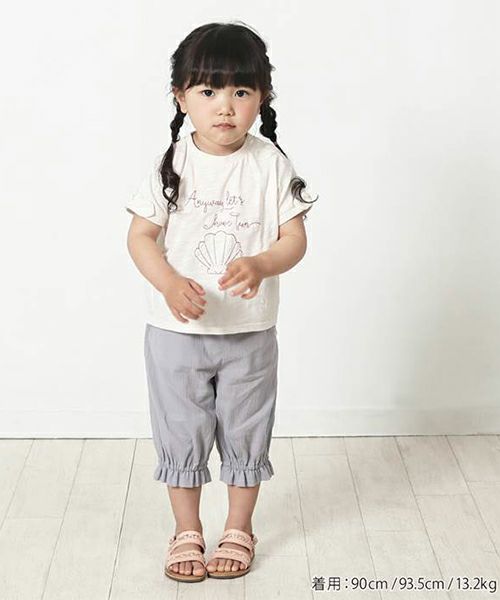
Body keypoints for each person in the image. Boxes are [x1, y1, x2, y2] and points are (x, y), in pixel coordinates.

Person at [125, 20, 318, 583]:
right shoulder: (171, 165)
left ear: (263, 97)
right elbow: (140, 237)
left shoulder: (269, 164)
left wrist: (261, 264)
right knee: (180, 431)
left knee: (245, 431)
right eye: (208, 91)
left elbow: (294, 238)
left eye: (241, 90)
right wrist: (167, 282)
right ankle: (186, 529)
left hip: (249, 334)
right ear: (181, 97)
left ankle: (239, 526)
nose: (225, 106)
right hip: (176, 335)